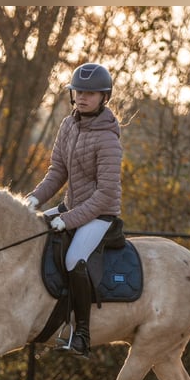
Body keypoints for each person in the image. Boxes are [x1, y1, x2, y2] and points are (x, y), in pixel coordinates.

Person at [26, 62, 123, 358]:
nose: (83, 97)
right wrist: (34, 200)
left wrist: (67, 219)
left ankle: (81, 335)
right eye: (79, 91)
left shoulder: (108, 138)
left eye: (90, 93)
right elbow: (58, 171)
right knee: (32, 236)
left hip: (100, 214)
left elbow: (105, 193)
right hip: (72, 208)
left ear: (104, 97)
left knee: (73, 259)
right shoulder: (68, 125)